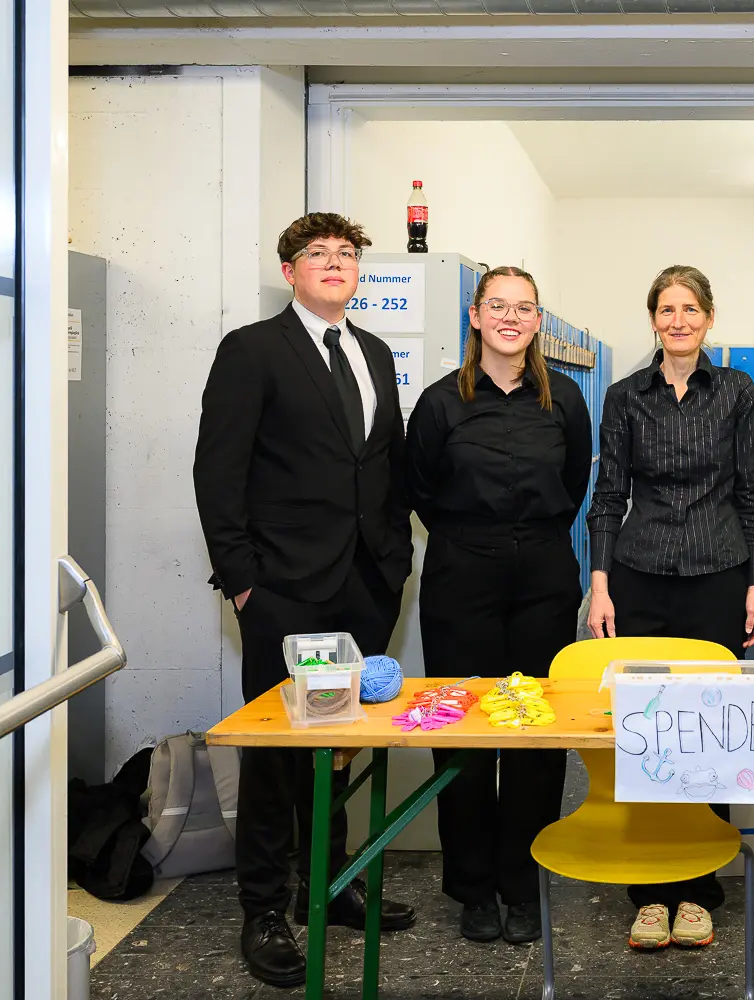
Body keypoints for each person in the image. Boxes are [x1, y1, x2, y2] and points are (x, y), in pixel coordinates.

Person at [193, 213, 416, 989]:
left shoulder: (374, 351)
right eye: (316, 254)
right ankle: (262, 907)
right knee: (277, 749)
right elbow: (217, 471)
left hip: (366, 583)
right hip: (284, 588)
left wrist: (396, 558)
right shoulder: (252, 349)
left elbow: (383, 464)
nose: (334, 263)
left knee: (339, 737)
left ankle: (329, 882)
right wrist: (243, 581)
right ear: (289, 271)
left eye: (346, 253)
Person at [585, 264, 754, 951]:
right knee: (648, 733)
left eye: (690, 309)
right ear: (654, 320)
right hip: (640, 575)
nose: (679, 320)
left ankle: (698, 887)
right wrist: (600, 582)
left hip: (718, 574)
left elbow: (753, 492)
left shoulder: (738, 393)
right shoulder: (624, 397)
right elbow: (609, 495)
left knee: (711, 733)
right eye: (667, 309)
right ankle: (649, 892)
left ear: (709, 318)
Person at [405, 266, 592, 946]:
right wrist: (477, 537)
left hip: (543, 574)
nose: (511, 318)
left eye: (524, 308)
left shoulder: (565, 397)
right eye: (498, 306)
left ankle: (523, 881)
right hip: (462, 575)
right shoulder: (439, 402)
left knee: (536, 734)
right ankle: (473, 886)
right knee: (464, 731)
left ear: (538, 321)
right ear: (476, 316)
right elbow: (419, 488)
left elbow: (573, 483)